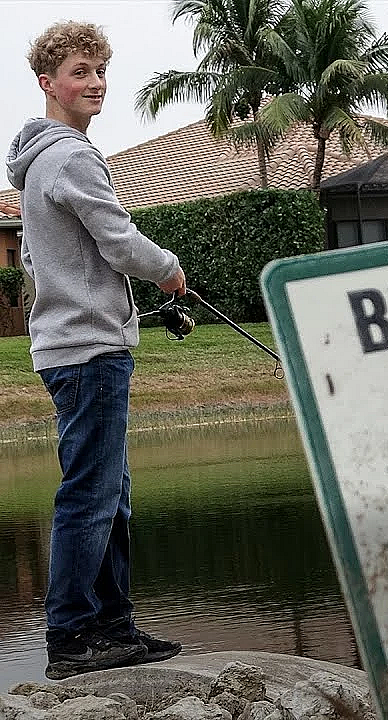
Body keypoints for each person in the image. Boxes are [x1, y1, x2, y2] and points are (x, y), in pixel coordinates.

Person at [7, 21, 185, 681]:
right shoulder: (71, 157)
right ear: (48, 83)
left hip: (68, 349)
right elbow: (120, 241)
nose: (96, 83)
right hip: (89, 351)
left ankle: (113, 628)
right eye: (80, 72)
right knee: (90, 494)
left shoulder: (37, 165)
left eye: (100, 71)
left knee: (112, 494)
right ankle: (70, 636)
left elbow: (36, 259)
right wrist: (169, 270)